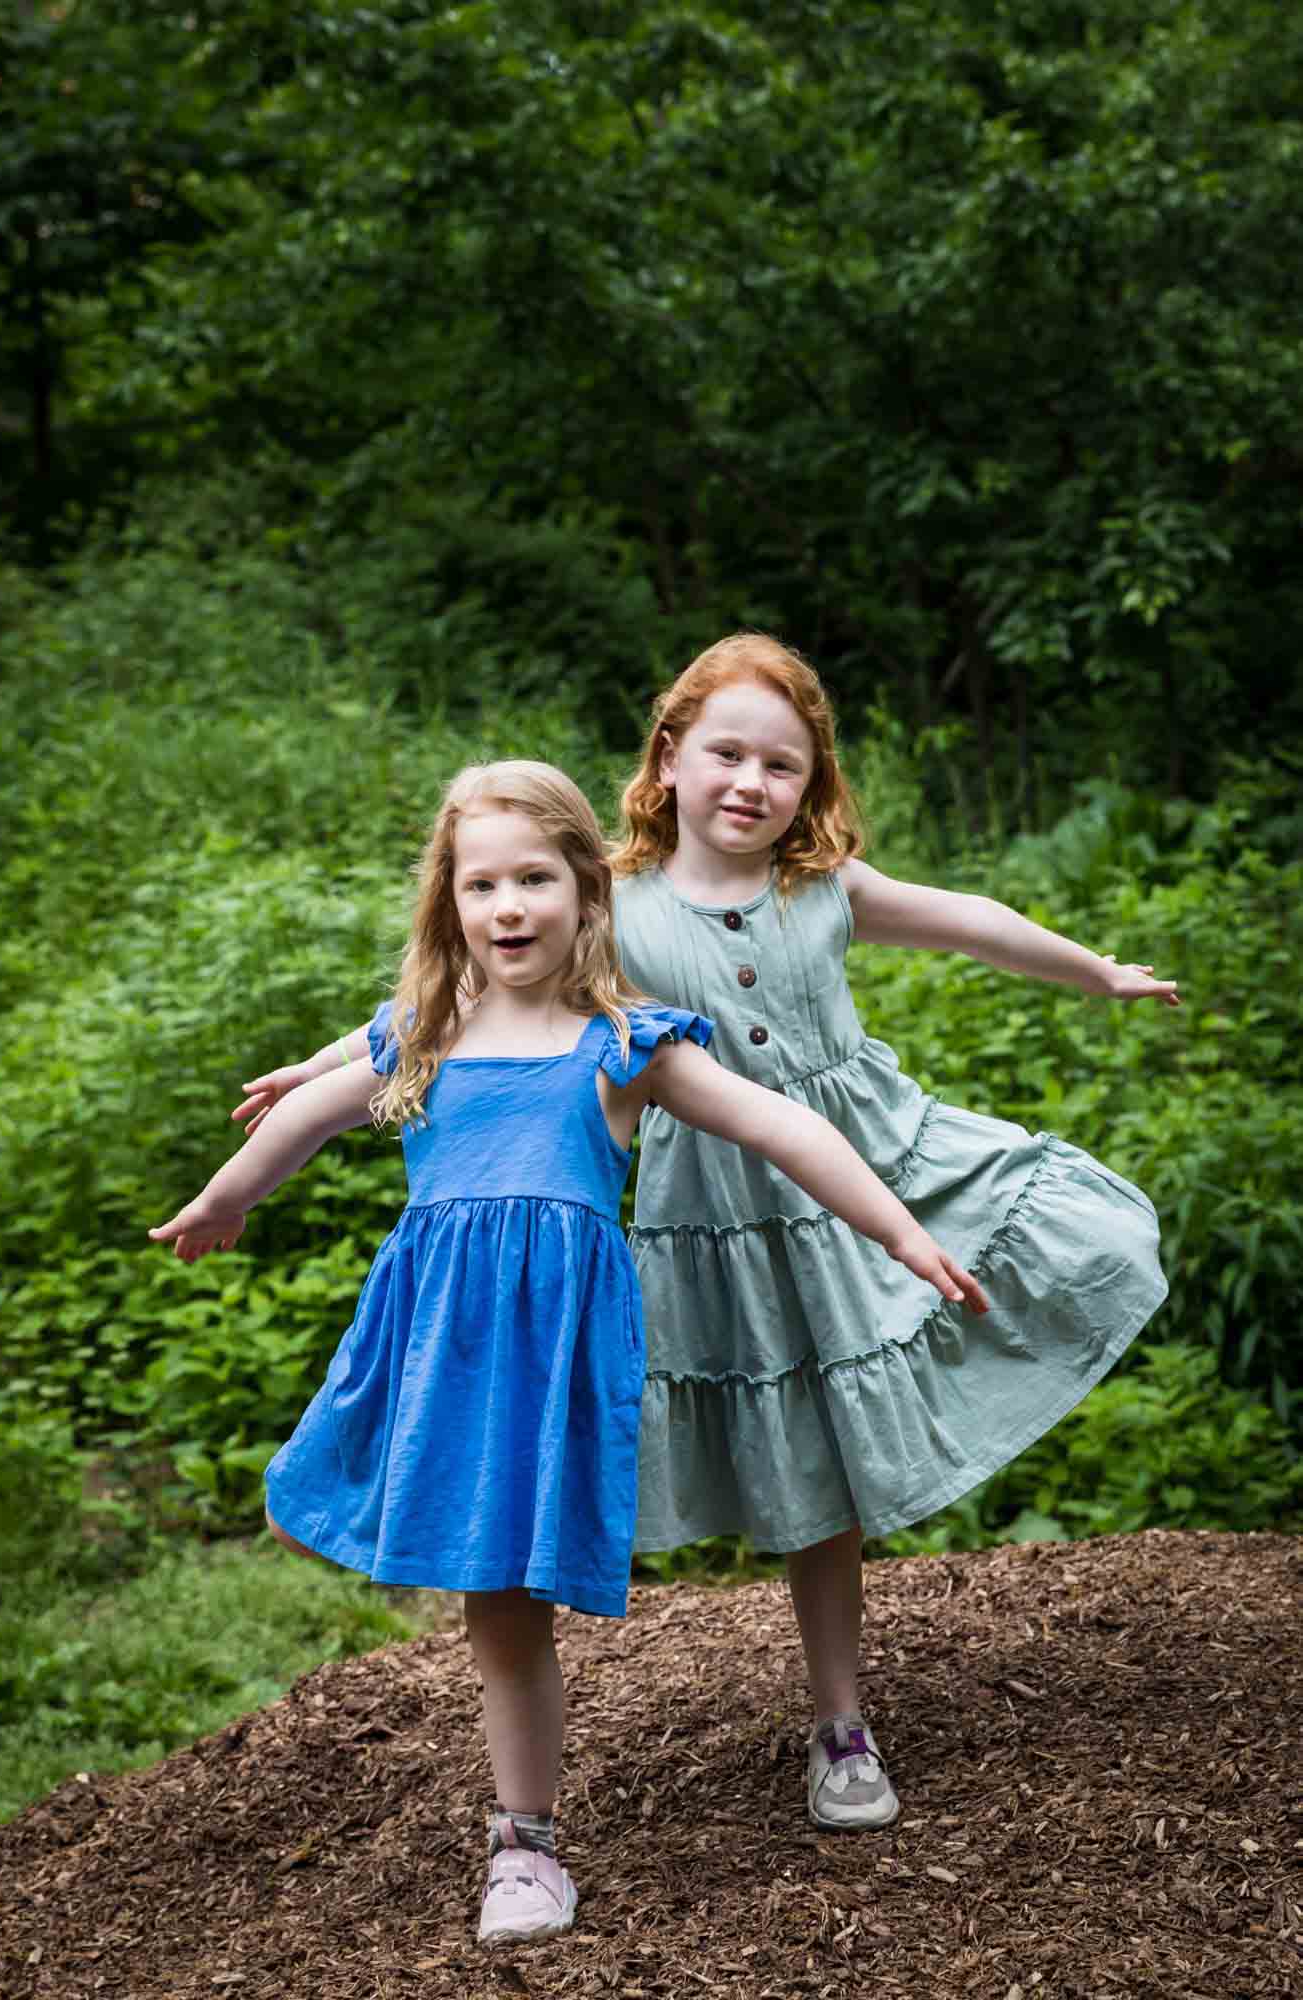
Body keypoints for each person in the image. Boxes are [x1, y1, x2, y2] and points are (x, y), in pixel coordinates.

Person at [233, 637, 1177, 1842]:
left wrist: (1092, 971)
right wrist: (316, 1070)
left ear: (811, 782)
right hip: (712, 1216)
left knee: (878, 1416)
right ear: (667, 757)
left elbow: (969, 921)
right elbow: (440, 1004)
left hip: (863, 1159)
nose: (751, 781)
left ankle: (842, 1724)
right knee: (789, 1446)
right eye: (726, 751)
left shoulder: (822, 885)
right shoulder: (602, 905)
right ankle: (732, 1711)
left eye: (782, 763)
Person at [152, 759, 988, 1947]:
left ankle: (527, 1829)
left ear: (585, 890)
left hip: (556, 1369)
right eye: (480, 881)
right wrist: (224, 1198)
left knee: (522, 1589)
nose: (508, 906)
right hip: (443, 1348)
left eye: (534, 877)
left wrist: (902, 1230)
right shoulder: (421, 1035)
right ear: (448, 901)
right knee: (493, 1605)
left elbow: (784, 1126)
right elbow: (306, 1112)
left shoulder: (626, 1044)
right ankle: (523, 1841)